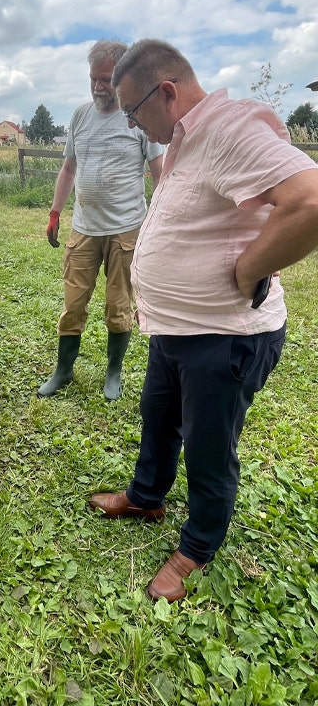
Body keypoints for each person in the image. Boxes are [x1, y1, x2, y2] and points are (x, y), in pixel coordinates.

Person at [88, 39, 318, 601]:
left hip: (224, 337)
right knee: (158, 417)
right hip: (176, 329)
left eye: (135, 112)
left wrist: (250, 268)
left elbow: (310, 200)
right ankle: (146, 496)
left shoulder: (229, 128)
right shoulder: (187, 139)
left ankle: (197, 546)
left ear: (165, 92)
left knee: (210, 445)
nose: (135, 128)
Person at [39, 40, 166, 400]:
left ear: (124, 77)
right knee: (73, 302)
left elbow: (159, 172)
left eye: (106, 79)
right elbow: (68, 168)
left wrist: (157, 221)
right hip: (84, 228)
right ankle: (63, 370)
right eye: (94, 78)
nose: (98, 86)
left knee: (118, 305)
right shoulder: (80, 116)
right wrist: (54, 212)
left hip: (125, 230)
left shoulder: (139, 117)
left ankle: (114, 371)